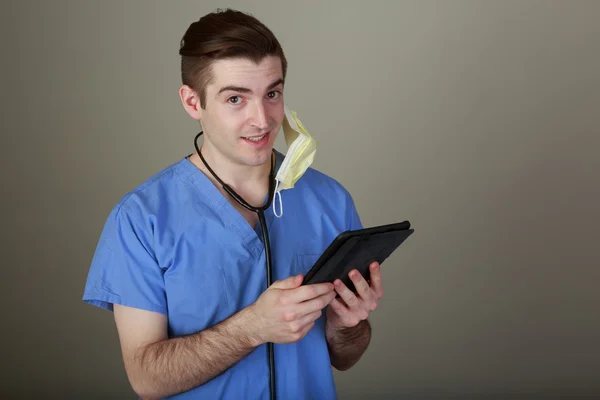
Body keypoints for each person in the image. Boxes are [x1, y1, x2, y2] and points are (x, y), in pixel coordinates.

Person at [82, 8, 385, 400]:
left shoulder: (330, 200)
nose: (262, 119)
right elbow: (147, 379)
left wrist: (348, 326)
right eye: (236, 99)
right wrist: (253, 327)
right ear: (193, 103)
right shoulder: (142, 218)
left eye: (272, 94)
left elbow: (344, 357)